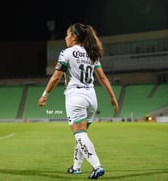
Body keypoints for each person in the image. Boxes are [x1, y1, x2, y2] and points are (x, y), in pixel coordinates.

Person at [38, 22, 119, 179]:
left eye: (68, 34)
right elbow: (102, 77)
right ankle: (76, 167)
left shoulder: (66, 53)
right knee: (82, 134)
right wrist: (113, 97)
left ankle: (97, 166)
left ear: (75, 37)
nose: (65, 37)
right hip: (91, 98)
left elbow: (56, 77)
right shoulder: (91, 53)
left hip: (75, 97)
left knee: (79, 134)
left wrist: (44, 95)